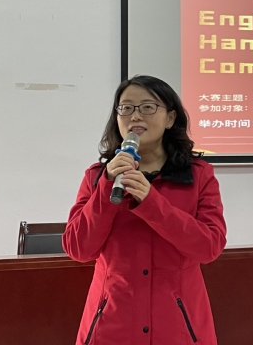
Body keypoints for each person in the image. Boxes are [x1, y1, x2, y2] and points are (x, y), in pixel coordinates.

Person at [62, 75, 226, 345]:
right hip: (111, 326)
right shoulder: (98, 176)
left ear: (170, 118)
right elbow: (78, 249)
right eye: (126, 108)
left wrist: (152, 203)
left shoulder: (198, 175)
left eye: (148, 107)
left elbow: (209, 247)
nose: (135, 116)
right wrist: (106, 188)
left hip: (178, 329)